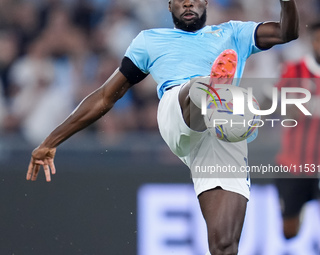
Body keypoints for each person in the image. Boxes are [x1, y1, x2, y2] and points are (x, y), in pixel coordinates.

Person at [26, 0, 299, 254]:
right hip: (178, 109)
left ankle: (226, 105)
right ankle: (223, 99)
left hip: (220, 136)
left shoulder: (234, 33)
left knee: (225, 244)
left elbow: (288, 33)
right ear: (170, 5)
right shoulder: (150, 41)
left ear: (205, 1)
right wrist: (51, 140)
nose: (188, 3)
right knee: (200, 87)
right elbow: (106, 96)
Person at [275, 21, 320, 255]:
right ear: (312, 42)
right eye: (319, 39)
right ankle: (298, 207)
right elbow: (284, 108)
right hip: (294, 164)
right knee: (289, 232)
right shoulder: (294, 71)